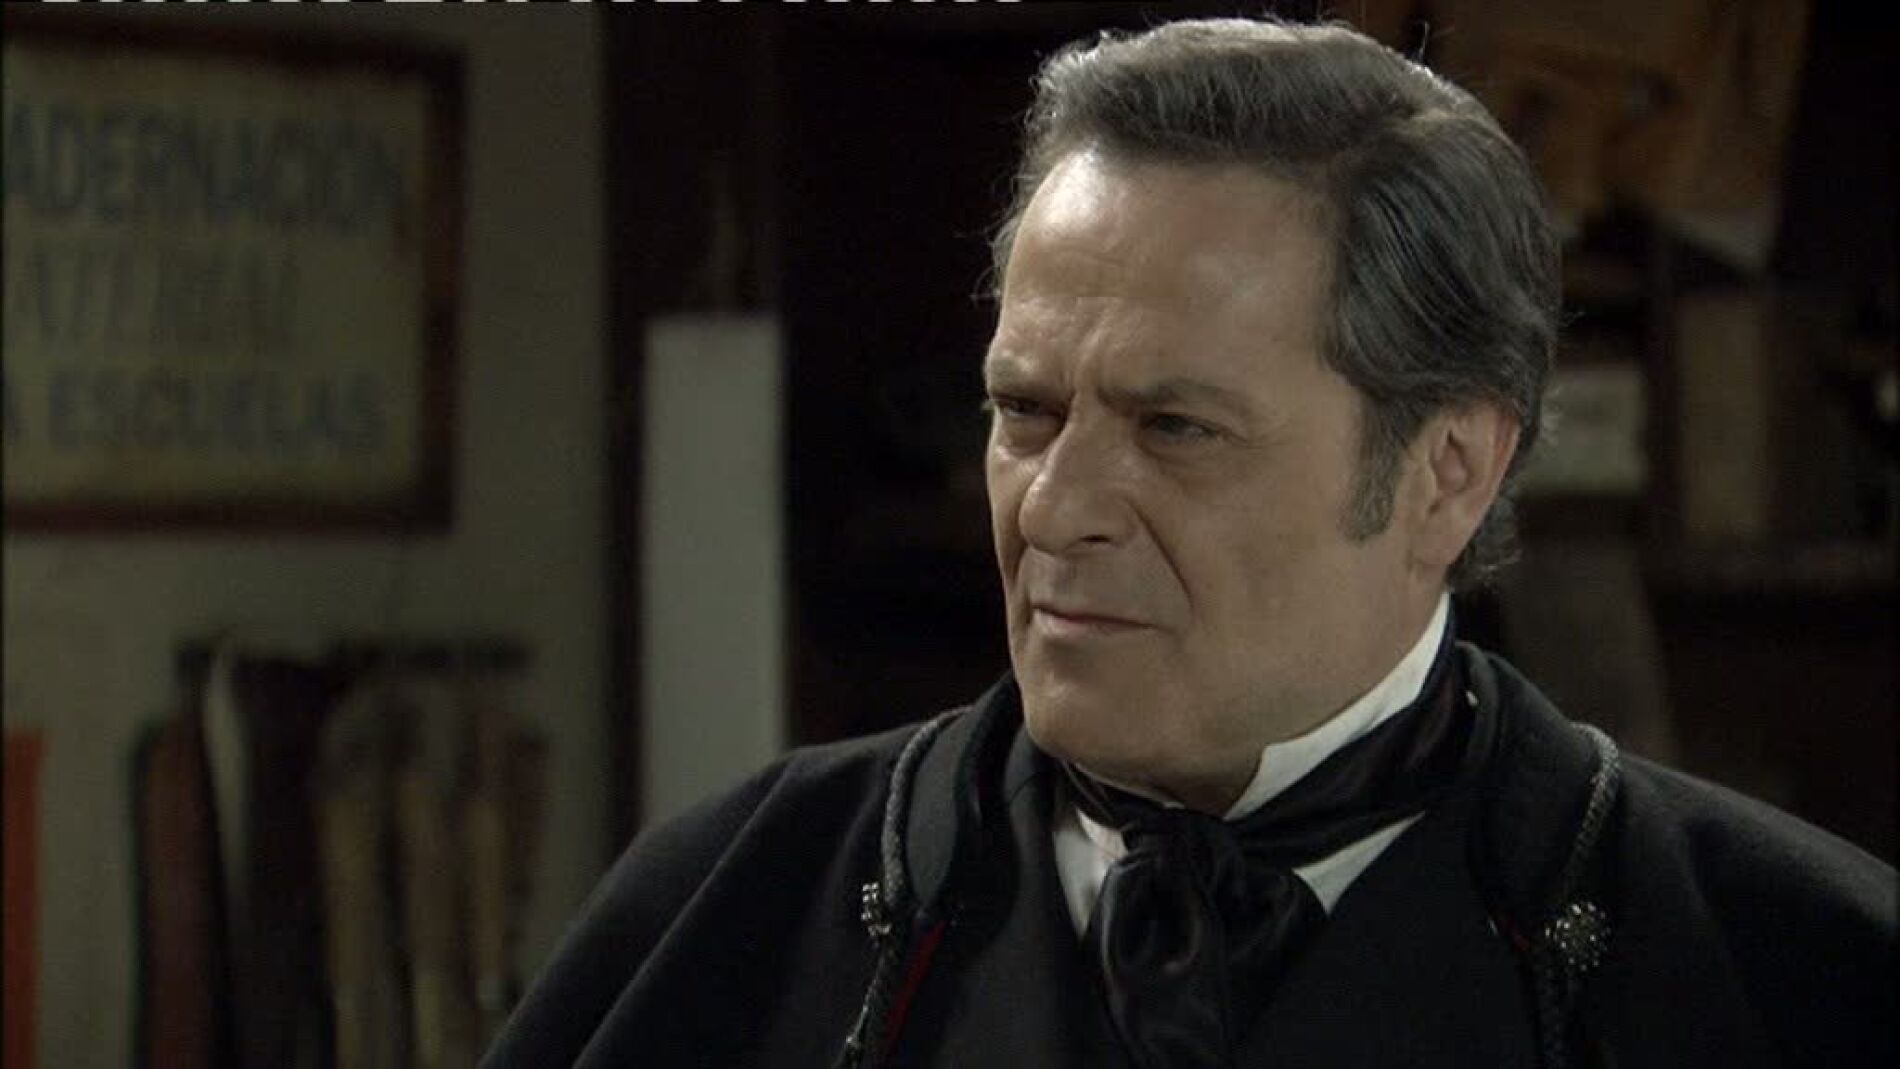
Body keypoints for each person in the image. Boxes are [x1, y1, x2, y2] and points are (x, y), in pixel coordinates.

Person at [485, 17, 1895, 1069]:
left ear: (1447, 473)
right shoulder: (731, 909)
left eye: (1174, 428)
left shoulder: (1796, 972)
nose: (1053, 508)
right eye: (1027, 411)